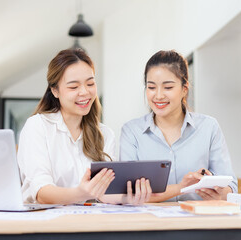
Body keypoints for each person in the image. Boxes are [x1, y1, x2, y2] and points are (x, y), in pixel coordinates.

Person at [17, 49, 150, 205]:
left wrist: (127, 198)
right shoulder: (38, 126)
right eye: (73, 87)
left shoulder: (105, 134)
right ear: (55, 91)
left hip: (89, 222)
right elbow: (41, 192)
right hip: (46, 223)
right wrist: (81, 193)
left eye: (90, 83)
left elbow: (104, 193)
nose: (85, 92)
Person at [120, 50, 238, 202]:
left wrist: (218, 192)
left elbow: (231, 187)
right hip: (151, 224)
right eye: (151, 87)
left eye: (168, 87)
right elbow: (127, 193)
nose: (159, 95)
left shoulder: (209, 127)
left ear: (184, 89)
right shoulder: (131, 131)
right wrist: (182, 187)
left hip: (198, 221)